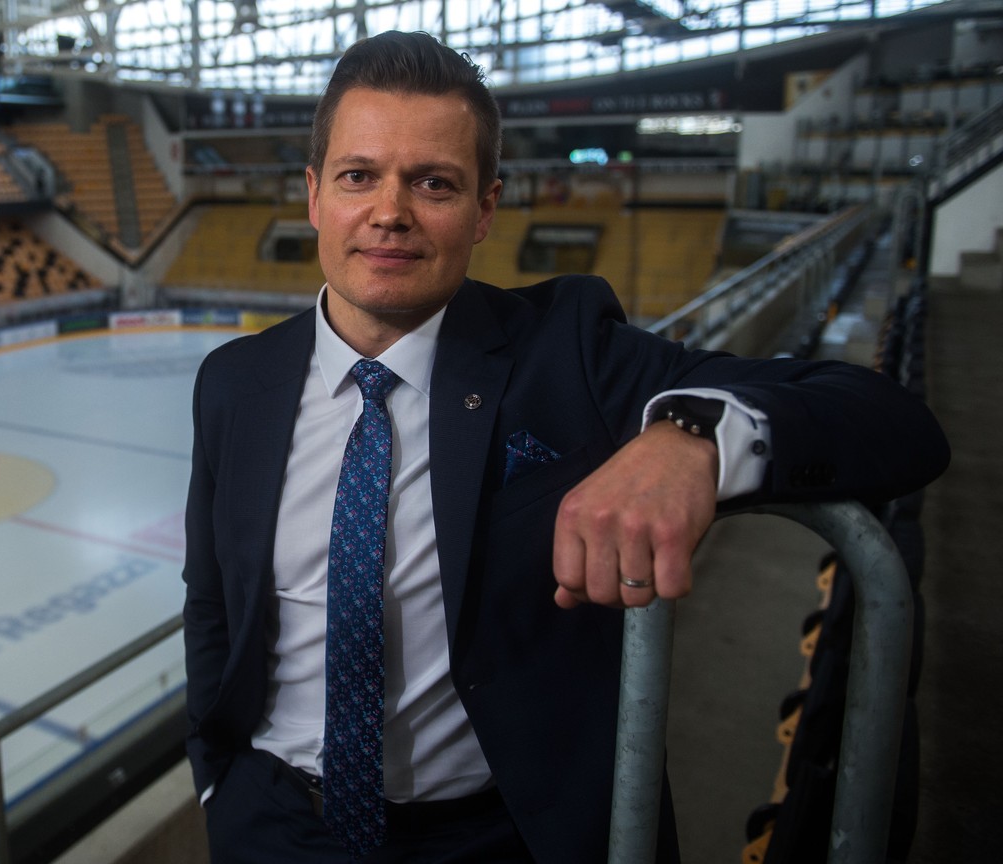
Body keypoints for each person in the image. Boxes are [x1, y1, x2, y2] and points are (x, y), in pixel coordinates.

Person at [180, 30, 949, 864]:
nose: (390, 211)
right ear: (313, 195)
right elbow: (214, 598)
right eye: (358, 175)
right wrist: (218, 782)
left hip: (499, 834)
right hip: (274, 823)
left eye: (433, 183)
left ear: (484, 211)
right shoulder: (235, 383)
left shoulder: (568, 351)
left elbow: (889, 419)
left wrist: (692, 439)